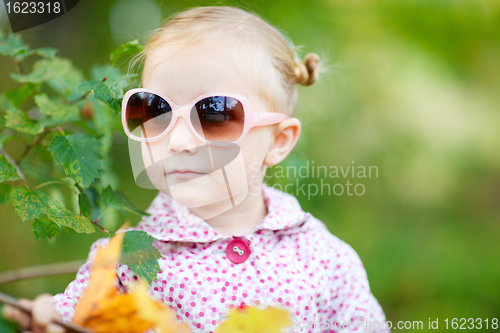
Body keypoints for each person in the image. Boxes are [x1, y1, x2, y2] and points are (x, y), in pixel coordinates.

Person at [2, 5, 389, 333]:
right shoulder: (124, 260)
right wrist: (50, 322)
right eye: (154, 111)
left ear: (279, 141)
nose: (179, 141)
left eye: (215, 114)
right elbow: (77, 318)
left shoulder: (323, 258)